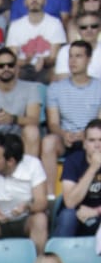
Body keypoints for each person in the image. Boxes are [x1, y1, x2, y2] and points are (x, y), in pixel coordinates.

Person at [0, 130, 48, 253]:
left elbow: (41, 202)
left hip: (25, 219)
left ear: (10, 161)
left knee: (40, 219)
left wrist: (27, 206)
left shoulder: (33, 164)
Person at [41, 40, 101, 194]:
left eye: (78, 56)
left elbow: (99, 121)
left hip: (93, 138)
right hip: (66, 139)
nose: (72, 61)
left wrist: (85, 136)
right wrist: (63, 134)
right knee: (48, 141)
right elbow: (53, 123)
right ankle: (50, 196)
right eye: (70, 56)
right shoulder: (55, 88)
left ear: (89, 59)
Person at [0, 45, 41, 167]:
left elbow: (34, 120)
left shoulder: (31, 88)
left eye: (10, 65)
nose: (6, 68)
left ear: (16, 68)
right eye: (1, 66)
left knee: (32, 130)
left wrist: (13, 119)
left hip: (19, 137)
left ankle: (28, 179)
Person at [5, 0, 66, 82]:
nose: (34, 0)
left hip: (46, 68)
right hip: (23, 68)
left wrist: (43, 61)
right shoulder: (15, 26)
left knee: (56, 72)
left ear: (45, 1)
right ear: (25, 2)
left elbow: (54, 57)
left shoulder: (55, 23)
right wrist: (26, 61)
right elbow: (13, 58)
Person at [55, 116, 101, 235]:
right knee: (67, 215)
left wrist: (96, 211)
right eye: (92, 140)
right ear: (84, 144)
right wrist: (93, 168)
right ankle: (60, 253)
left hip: (98, 214)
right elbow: (70, 202)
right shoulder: (72, 161)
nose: (97, 145)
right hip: (76, 214)